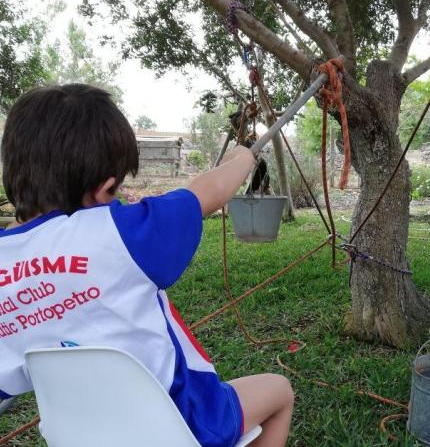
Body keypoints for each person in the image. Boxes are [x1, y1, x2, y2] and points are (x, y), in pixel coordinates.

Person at [0, 84, 293, 447]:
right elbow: (208, 191)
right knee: (279, 390)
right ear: (104, 189)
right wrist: (243, 156)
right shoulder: (120, 233)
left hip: (85, 437)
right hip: (183, 424)